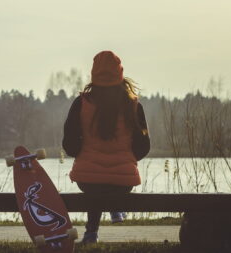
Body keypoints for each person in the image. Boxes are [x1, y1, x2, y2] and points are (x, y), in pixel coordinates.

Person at [62, 51, 150, 244]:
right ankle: (115, 207)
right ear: (120, 75)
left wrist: (81, 153)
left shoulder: (81, 103)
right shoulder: (133, 105)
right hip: (124, 181)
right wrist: (128, 158)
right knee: (110, 185)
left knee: (96, 186)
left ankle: (91, 233)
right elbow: (144, 146)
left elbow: (69, 144)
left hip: (87, 179)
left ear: (94, 75)